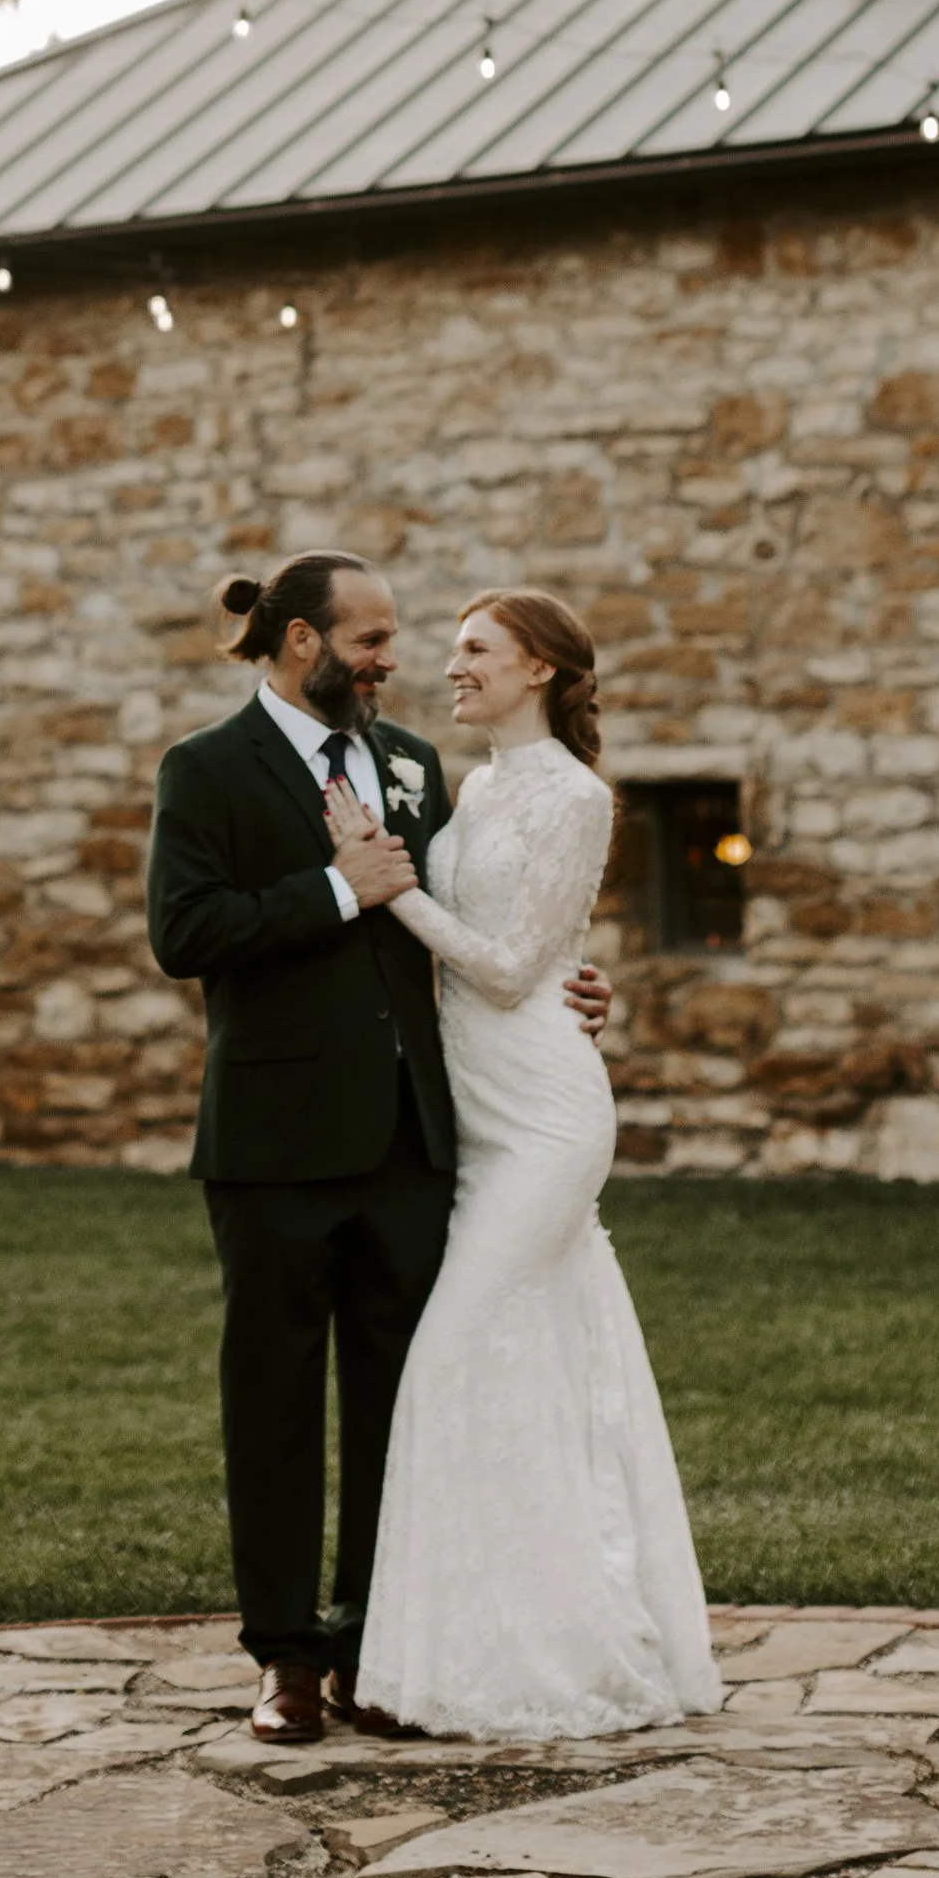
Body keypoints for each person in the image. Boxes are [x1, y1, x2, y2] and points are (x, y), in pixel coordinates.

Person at [146, 550, 612, 1744]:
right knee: (273, 1402)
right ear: (302, 641)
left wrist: (570, 982)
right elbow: (184, 933)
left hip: (414, 1136)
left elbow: (473, 923)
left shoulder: (410, 761)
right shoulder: (206, 767)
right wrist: (336, 888)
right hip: (273, 1142)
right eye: (369, 640)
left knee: (398, 1400)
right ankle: (283, 1657)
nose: (388, 661)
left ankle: (375, 1642)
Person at [335, 588, 722, 1742]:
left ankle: (544, 1658)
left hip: (546, 1119)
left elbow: (508, 971)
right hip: (475, 1117)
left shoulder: (575, 795)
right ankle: (487, 1650)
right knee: (524, 1371)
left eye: (476, 651)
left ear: (540, 669)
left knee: (449, 1360)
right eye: (453, 650)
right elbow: (541, 945)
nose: (451, 667)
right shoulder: (479, 788)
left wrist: (390, 888)